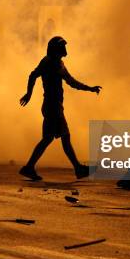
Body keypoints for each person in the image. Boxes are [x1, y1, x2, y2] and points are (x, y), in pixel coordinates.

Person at [19, 36, 102, 181]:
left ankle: (29, 167)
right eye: (62, 47)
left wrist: (89, 88)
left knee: (48, 139)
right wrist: (29, 94)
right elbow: (33, 75)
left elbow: (70, 81)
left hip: (54, 106)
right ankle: (78, 168)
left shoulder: (58, 63)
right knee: (64, 137)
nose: (65, 50)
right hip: (53, 106)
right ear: (55, 49)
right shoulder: (49, 63)